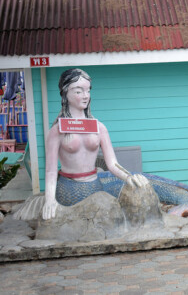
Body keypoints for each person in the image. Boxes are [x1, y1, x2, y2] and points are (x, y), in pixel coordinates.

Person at [43, 69, 148, 220]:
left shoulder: (99, 127)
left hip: (95, 185)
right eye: (78, 91)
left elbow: (112, 164)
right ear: (65, 93)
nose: (85, 96)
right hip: (67, 188)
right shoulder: (57, 130)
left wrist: (129, 177)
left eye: (88, 90)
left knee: (144, 185)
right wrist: (49, 200)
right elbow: (51, 171)